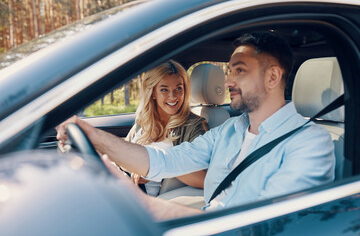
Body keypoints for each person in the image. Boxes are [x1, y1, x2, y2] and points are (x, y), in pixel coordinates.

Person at [57, 31, 335, 220]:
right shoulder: (229, 130)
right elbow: (167, 159)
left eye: (239, 70)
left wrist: (143, 205)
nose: (227, 82)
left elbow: (262, 227)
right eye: (229, 71)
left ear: (272, 77)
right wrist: (94, 137)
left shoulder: (310, 143)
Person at [124, 60, 208, 196]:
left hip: (148, 200)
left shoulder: (194, 125)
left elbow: (205, 179)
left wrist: (153, 168)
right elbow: (124, 153)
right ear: (153, 93)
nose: (173, 96)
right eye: (164, 89)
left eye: (178, 88)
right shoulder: (144, 120)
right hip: (124, 187)